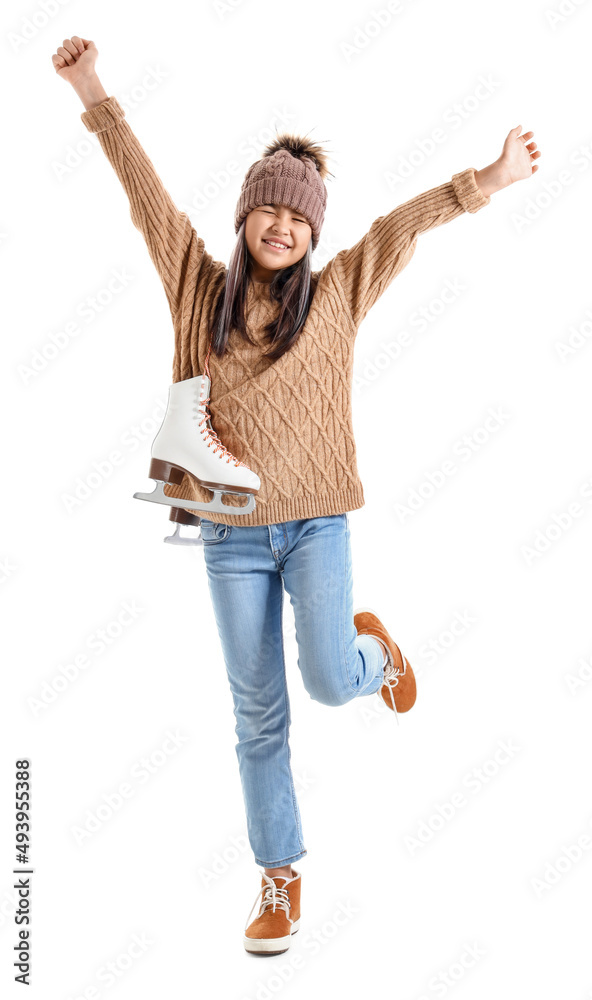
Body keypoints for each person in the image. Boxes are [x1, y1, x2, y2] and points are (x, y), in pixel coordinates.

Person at [52, 35, 540, 956]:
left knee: (324, 682)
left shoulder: (341, 293)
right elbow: (145, 193)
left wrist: (490, 177)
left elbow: (399, 227)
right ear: (245, 218)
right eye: (267, 210)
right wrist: (92, 88)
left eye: (299, 218)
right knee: (257, 711)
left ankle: (371, 654)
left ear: (315, 235)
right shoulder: (197, 289)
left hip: (316, 527)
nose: (282, 225)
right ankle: (279, 877)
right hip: (230, 537)